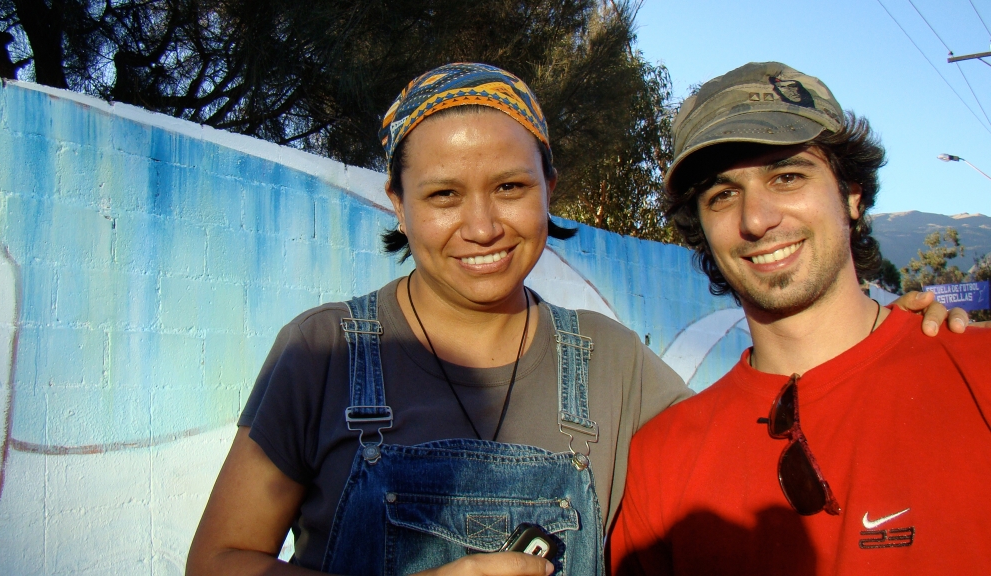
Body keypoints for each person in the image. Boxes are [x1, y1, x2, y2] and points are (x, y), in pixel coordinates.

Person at [186, 62, 963, 576]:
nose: (482, 226)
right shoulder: (323, 351)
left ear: (550, 187)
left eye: (512, 188)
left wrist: (918, 338)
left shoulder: (612, 363)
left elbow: (760, 429)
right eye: (444, 195)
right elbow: (216, 559)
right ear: (399, 202)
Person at [609, 62, 991, 576]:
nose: (756, 219)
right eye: (722, 195)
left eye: (787, 176)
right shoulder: (662, 459)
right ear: (698, 225)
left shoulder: (976, 374)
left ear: (851, 194)